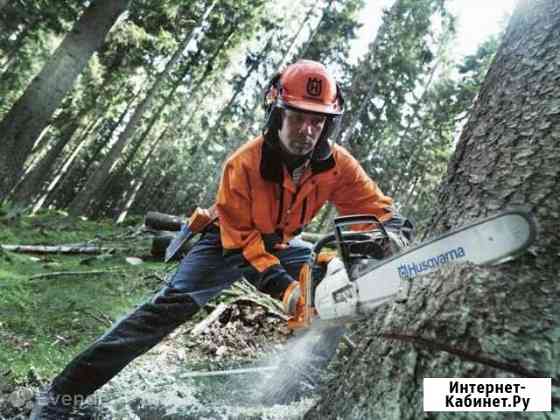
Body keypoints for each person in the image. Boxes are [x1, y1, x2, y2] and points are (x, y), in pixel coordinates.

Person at [30, 59, 412, 419]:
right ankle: (62, 394)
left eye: (317, 120)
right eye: (297, 117)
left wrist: (391, 233)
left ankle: (291, 392)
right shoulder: (244, 163)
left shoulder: (337, 165)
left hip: (280, 243)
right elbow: (243, 243)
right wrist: (285, 289)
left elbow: (376, 209)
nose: (306, 130)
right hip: (227, 241)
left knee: (334, 293)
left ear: (328, 124)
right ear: (278, 114)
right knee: (170, 306)